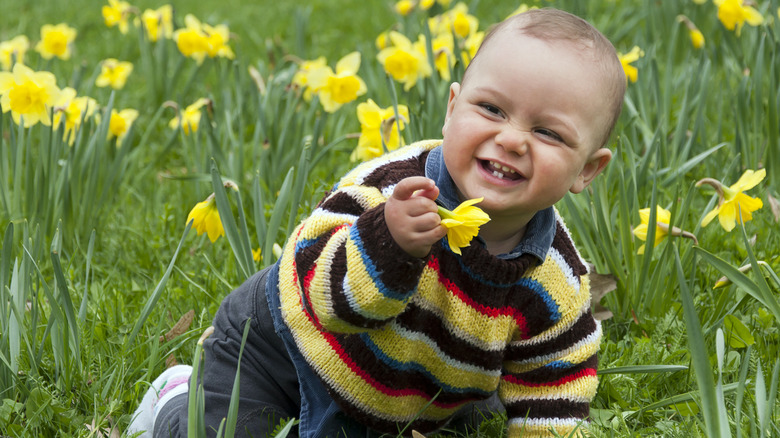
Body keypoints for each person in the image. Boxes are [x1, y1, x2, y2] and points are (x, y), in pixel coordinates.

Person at [128, 7, 627, 438]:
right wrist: (387, 244)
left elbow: (553, 388)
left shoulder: (556, 281)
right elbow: (321, 296)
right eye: (491, 108)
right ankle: (174, 399)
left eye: (547, 132)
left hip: (400, 393)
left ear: (587, 169)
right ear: (452, 109)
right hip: (281, 352)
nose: (512, 139)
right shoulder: (391, 190)